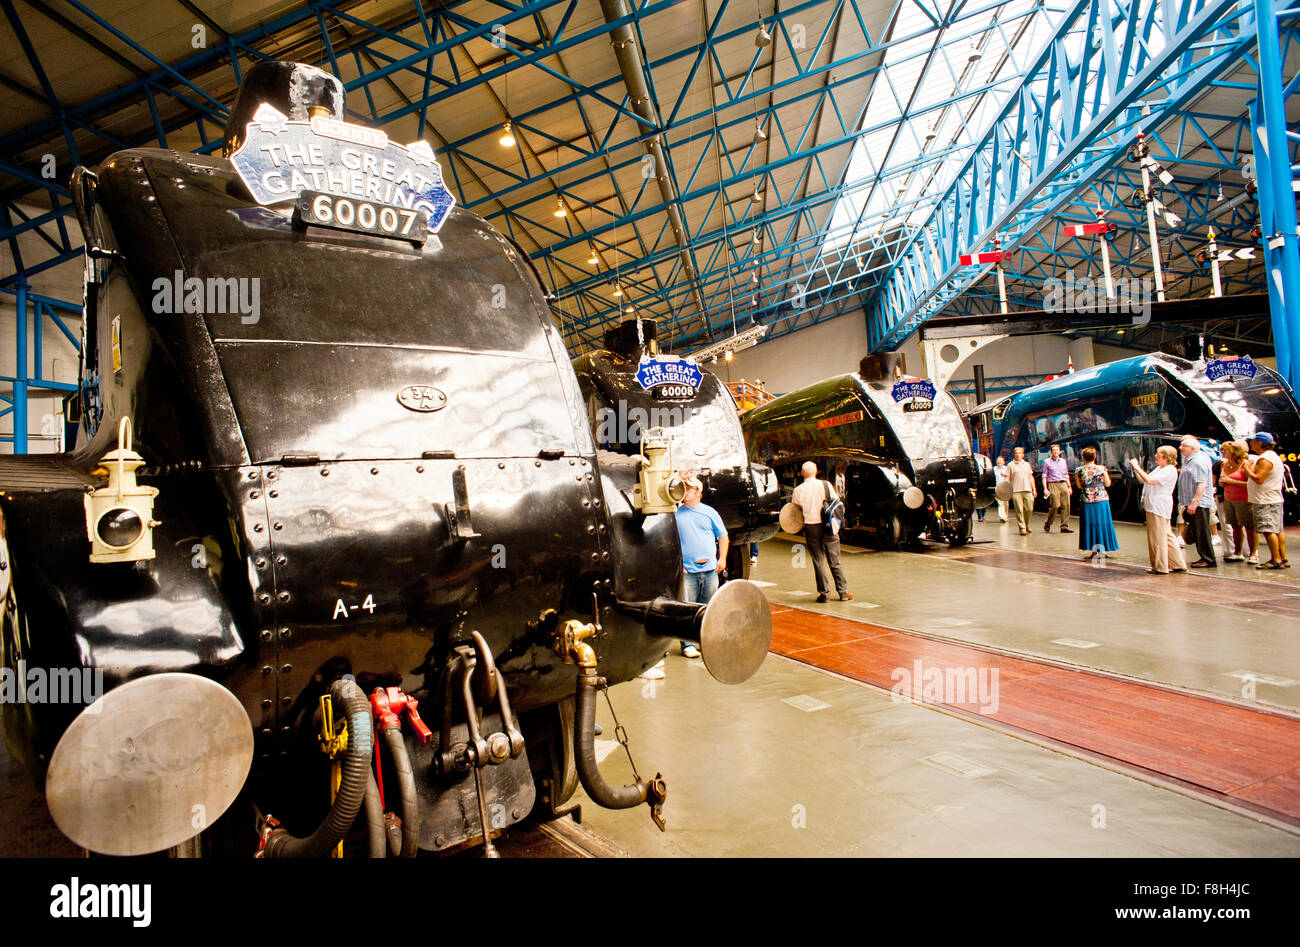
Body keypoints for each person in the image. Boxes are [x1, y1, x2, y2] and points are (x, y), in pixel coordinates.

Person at [673, 475, 728, 656]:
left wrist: (722, 559)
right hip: (688, 571)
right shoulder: (675, 514)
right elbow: (670, 541)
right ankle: (687, 645)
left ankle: (704, 640)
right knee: (687, 607)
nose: (685, 491)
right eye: (684, 488)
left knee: (708, 607)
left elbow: (723, 536)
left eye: (689, 489)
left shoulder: (710, 513)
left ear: (699, 493)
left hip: (710, 570)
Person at [791, 461, 853, 602]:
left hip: (810, 527)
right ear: (816, 471)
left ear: (802, 473)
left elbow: (795, 511)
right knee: (835, 559)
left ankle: (825, 593)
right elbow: (837, 504)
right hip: (828, 526)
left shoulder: (798, 490)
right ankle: (843, 592)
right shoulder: (825, 485)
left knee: (818, 560)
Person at [1129, 447, 1187, 574]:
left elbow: (1150, 480)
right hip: (1154, 505)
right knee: (1167, 535)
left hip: (1158, 506)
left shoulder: (1169, 470)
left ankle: (1160, 566)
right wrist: (1136, 469)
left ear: (1166, 457)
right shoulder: (1160, 468)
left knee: (1157, 537)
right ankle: (1178, 563)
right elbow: (1143, 479)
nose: (1155, 456)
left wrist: (1137, 466)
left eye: (1158, 454)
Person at [1242, 432, 1289, 570]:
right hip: (1273, 498)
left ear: (1260, 443)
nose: (1251, 443)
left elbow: (1258, 478)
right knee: (1277, 529)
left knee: (1268, 530)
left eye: (1253, 441)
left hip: (1264, 500)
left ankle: (1275, 559)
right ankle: (1282, 558)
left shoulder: (1265, 459)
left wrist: (1246, 468)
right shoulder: (1272, 456)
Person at [1177, 434, 1217, 568]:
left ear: (1192, 448)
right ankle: (1204, 557)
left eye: (1183, 446)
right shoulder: (1190, 459)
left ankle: (1208, 559)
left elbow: (1202, 483)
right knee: (1197, 531)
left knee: (1201, 532)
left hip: (1198, 503)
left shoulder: (1198, 461)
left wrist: (1195, 501)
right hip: (1191, 502)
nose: (1180, 448)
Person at [1076, 446, 1119, 559]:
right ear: (1095, 457)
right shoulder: (1102, 469)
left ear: (1083, 457)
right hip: (1101, 499)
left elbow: (1079, 486)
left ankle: (1094, 551)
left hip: (1087, 500)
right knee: (1102, 523)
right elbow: (1108, 483)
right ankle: (1103, 550)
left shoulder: (1079, 470)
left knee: (1090, 524)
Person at [1218, 441, 1257, 564]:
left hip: (1244, 500)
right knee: (1235, 526)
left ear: (1234, 451)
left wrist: (1233, 482)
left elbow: (1252, 483)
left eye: (1226, 450)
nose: (1222, 452)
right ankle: (1237, 552)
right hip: (1229, 499)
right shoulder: (1224, 464)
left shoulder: (1245, 465)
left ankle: (1253, 554)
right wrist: (1222, 482)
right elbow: (1221, 479)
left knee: (1249, 527)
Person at [1040, 443, 1073, 533]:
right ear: (1051, 452)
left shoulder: (1063, 461)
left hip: (1063, 483)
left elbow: (1066, 475)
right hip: (1053, 484)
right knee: (1055, 505)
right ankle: (1048, 523)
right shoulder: (1046, 462)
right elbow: (1044, 476)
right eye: (1053, 450)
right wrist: (1045, 488)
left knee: (1066, 505)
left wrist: (1069, 486)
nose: (1055, 452)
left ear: (1059, 451)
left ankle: (1064, 526)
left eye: (1057, 450)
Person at [1006, 447, 1037, 535]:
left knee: (1029, 509)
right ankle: (1022, 528)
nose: (1018, 454)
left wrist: (1034, 489)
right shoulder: (1010, 465)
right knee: (1019, 510)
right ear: (1014, 454)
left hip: (1027, 489)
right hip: (1016, 491)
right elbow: (1007, 478)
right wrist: (1007, 489)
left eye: (1020, 453)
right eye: (1016, 453)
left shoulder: (1027, 464)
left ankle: (1026, 525)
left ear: (1023, 455)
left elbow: (1031, 477)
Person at [993, 456, 1009, 522]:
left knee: (1005, 503)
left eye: (1000, 460)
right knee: (1000, 502)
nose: (999, 462)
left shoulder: (1006, 468)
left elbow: (1010, 477)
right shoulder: (994, 469)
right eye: (998, 460)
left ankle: (1006, 515)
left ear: (1003, 462)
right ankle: (1002, 516)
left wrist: (1005, 475)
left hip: (1005, 487)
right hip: (997, 487)